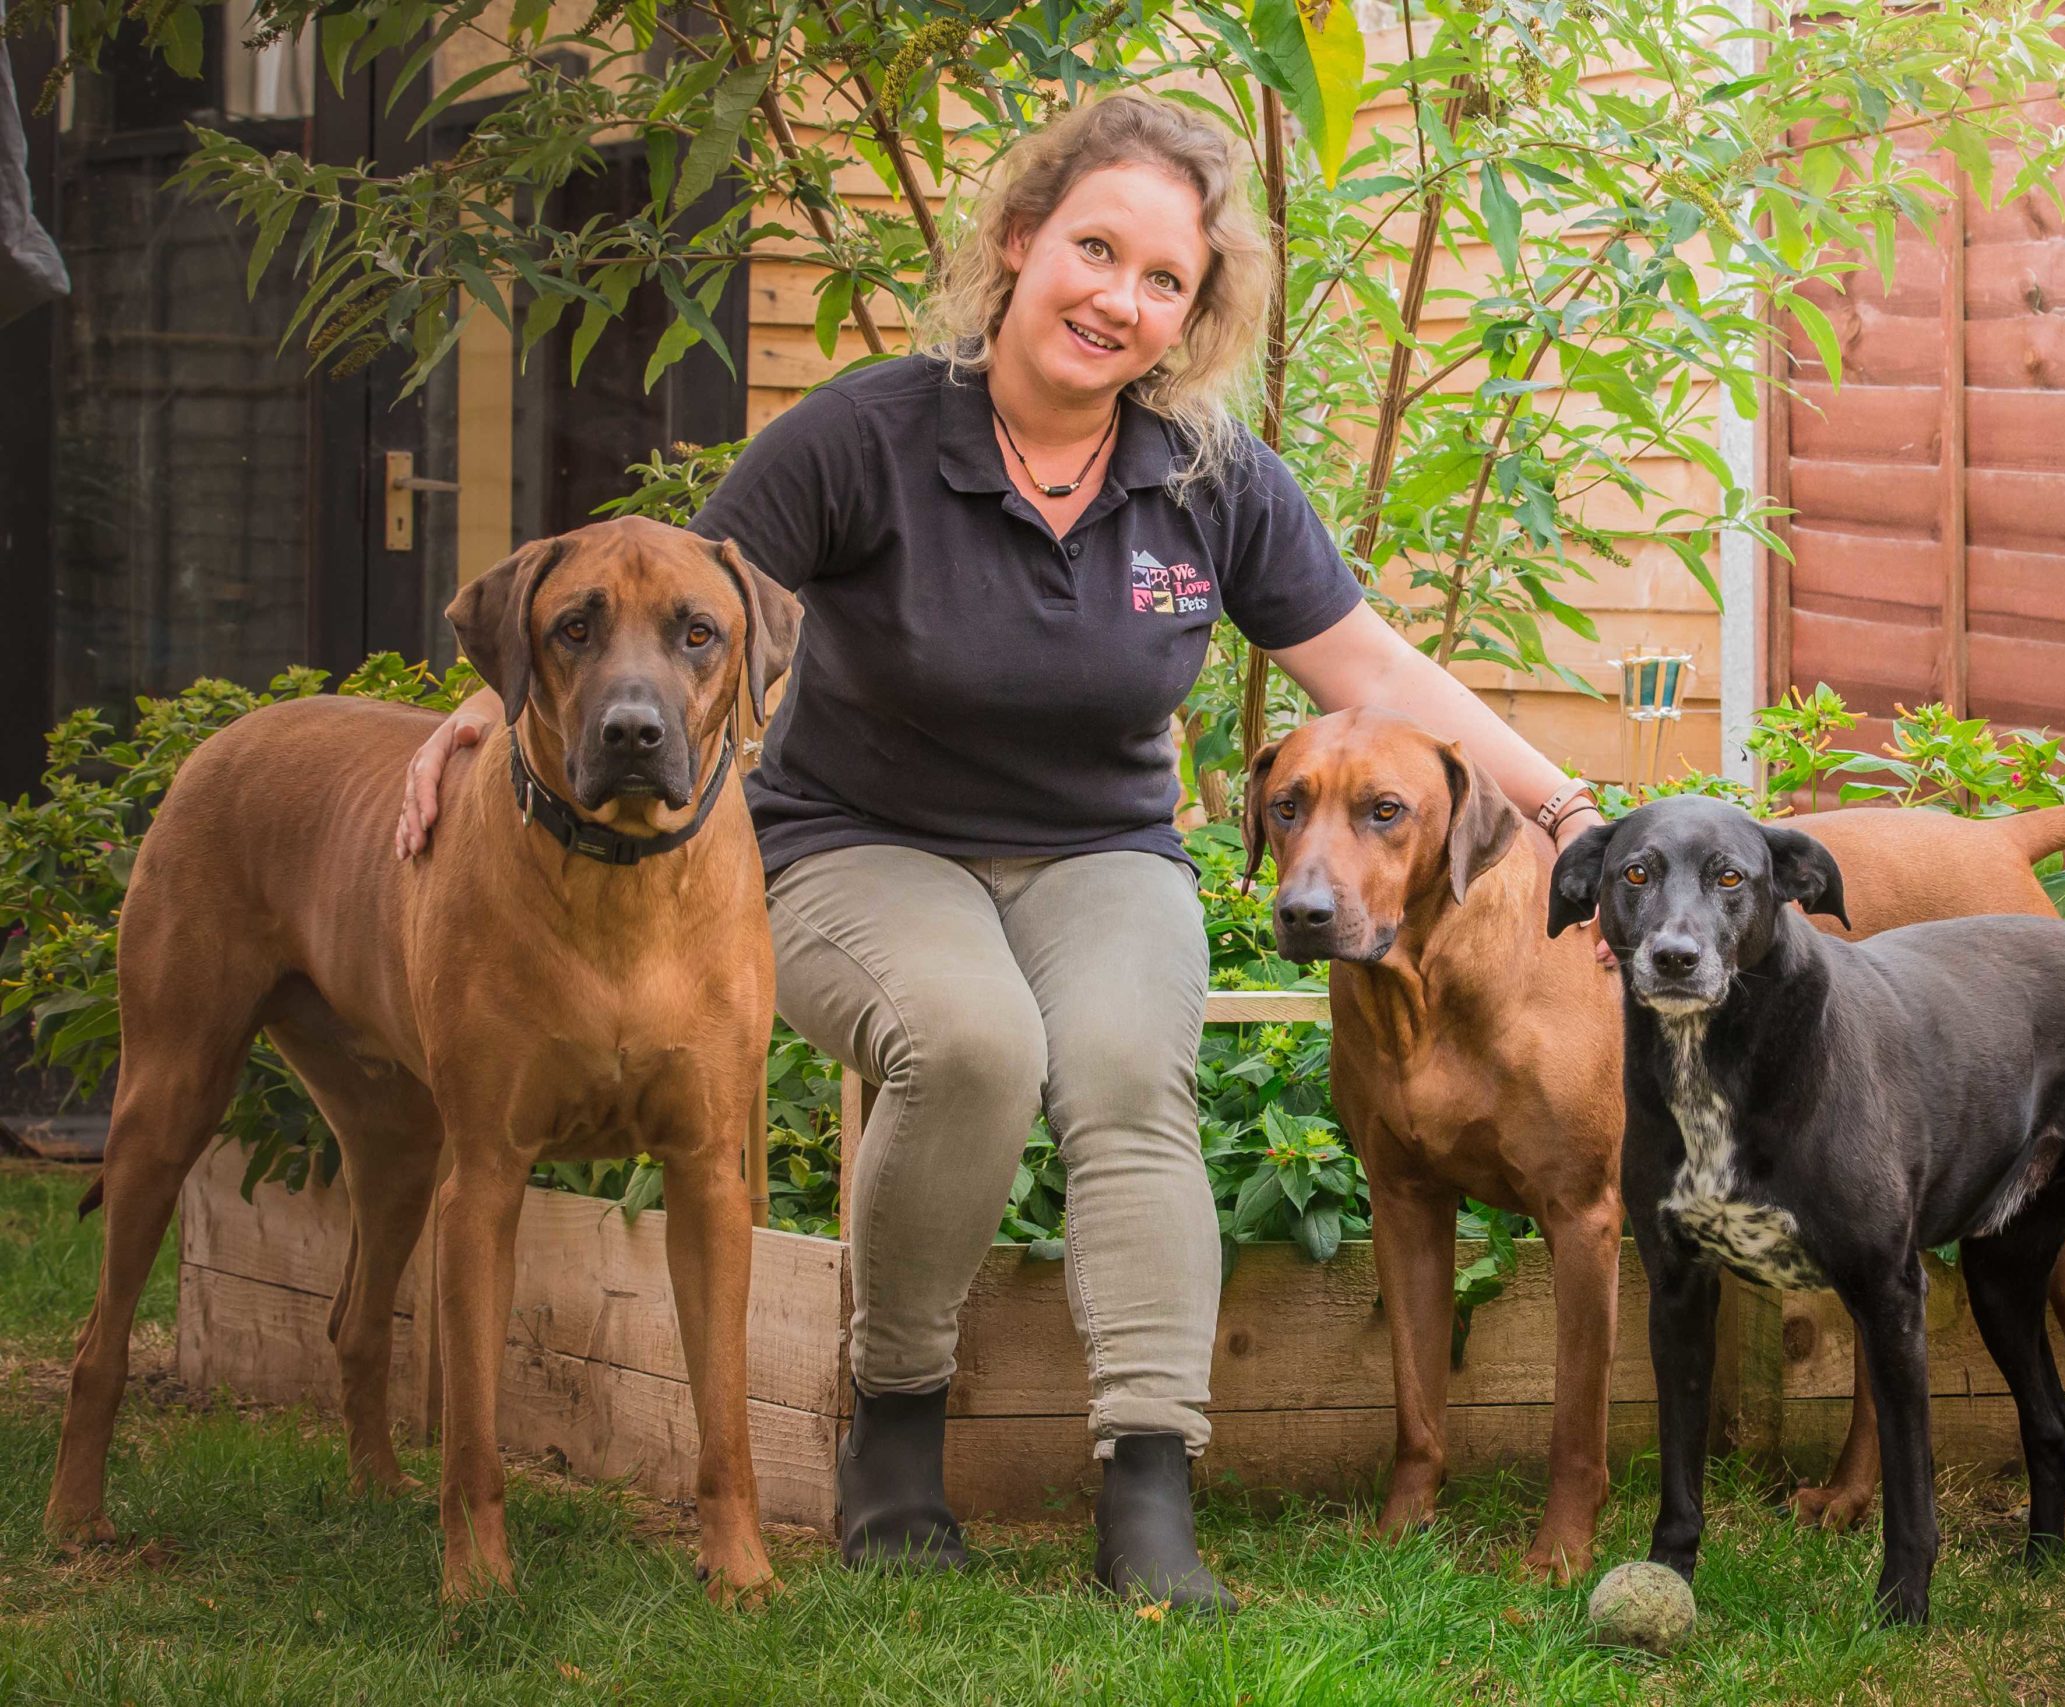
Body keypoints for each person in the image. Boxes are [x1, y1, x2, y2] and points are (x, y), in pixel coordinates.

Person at [396, 90, 1605, 1611]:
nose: (1121, 298)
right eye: (1097, 250)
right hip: (855, 842)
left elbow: (1374, 673)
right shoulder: (871, 434)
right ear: (1023, 242)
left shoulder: (1204, 477)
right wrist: (483, 710)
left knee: (1121, 1062)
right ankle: (895, 1437)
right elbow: (658, 599)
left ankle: (1150, 1486)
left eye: (1166, 281)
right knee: (969, 1043)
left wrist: (1566, 810)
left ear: (1190, 317)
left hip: (1101, 849)